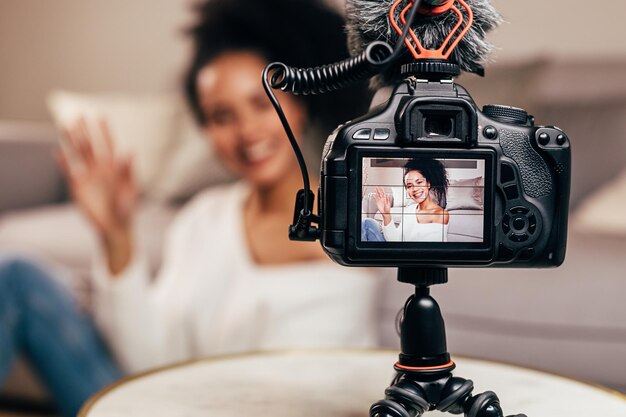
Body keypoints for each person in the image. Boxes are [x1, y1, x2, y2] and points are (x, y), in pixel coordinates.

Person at [0, 1, 377, 416]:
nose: (246, 131)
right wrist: (116, 232)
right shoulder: (204, 218)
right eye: (221, 115)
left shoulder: (354, 224)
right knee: (15, 275)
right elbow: (146, 362)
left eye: (261, 103)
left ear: (300, 104)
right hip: (161, 405)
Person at [362, 158, 449, 242]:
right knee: (367, 223)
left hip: (410, 256)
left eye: (419, 182)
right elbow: (395, 240)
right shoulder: (410, 210)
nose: (414, 189)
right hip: (398, 254)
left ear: (428, 184)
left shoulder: (440, 214)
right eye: (409, 186)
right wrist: (386, 213)